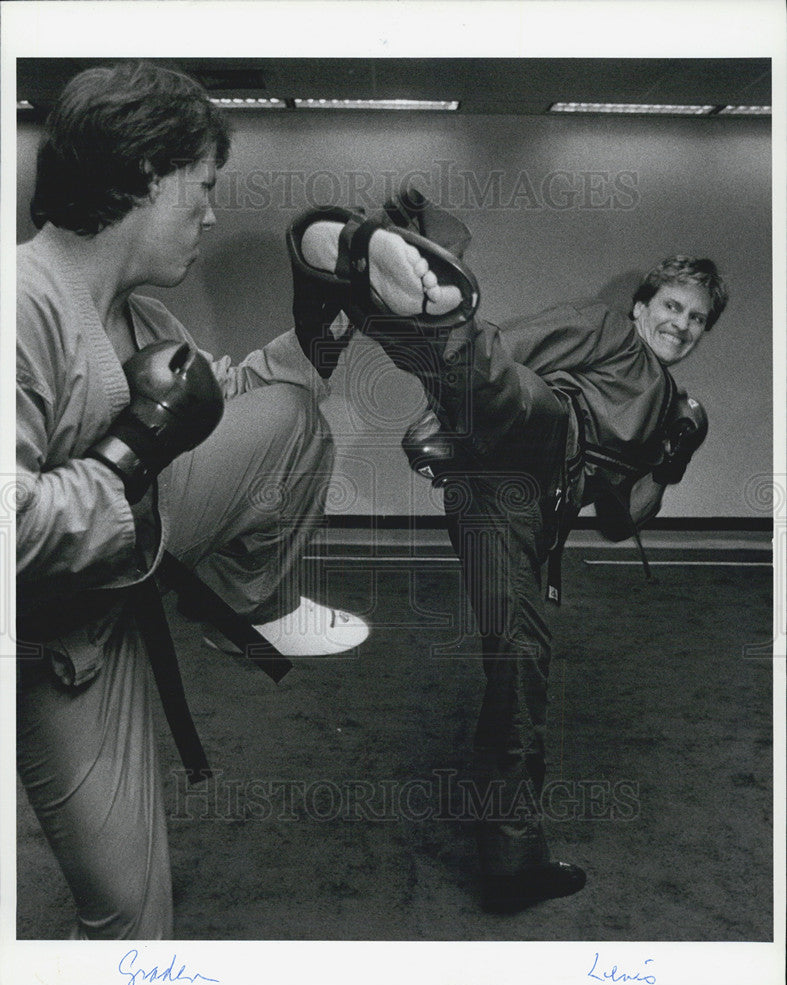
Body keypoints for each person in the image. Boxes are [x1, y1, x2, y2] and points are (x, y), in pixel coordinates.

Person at [15, 62, 462, 939]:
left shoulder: (146, 318)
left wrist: (326, 330)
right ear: (146, 176)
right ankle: (243, 602)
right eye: (203, 187)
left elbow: (224, 405)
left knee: (289, 406)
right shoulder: (19, 305)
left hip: (122, 599)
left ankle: (247, 601)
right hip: (56, 649)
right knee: (127, 919)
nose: (212, 212)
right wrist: (131, 449)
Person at [290, 193, 727, 913]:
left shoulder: (676, 410)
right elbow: (510, 348)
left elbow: (622, 517)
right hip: (529, 438)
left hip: (521, 511)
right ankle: (396, 293)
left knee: (518, 664)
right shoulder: (605, 329)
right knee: (526, 403)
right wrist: (441, 420)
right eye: (672, 307)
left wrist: (672, 460)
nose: (679, 325)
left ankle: (511, 857)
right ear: (645, 305)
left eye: (695, 319)